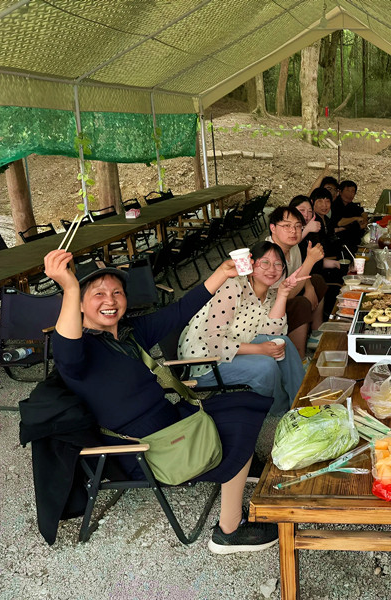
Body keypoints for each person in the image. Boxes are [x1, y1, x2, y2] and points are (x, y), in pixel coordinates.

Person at [44, 249, 279, 555]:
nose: (110, 300)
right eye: (97, 294)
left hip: (168, 421)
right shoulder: (80, 354)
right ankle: (229, 531)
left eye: (117, 292)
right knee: (239, 429)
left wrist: (222, 273)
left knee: (243, 402)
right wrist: (70, 287)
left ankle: (238, 467)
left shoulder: (129, 334)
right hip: (139, 447)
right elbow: (65, 351)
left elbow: (180, 311)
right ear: (80, 305)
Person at [178, 241, 307, 415]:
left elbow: (274, 332)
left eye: (278, 264)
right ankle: (280, 410)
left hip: (236, 346)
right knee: (265, 365)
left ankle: (303, 401)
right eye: (265, 263)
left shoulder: (268, 294)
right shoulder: (232, 287)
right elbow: (214, 342)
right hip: (205, 363)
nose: (272, 269)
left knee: (282, 342)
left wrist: (283, 293)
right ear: (251, 264)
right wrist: (259, 349)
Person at [266, 207, 326, 357]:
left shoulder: (293, 248)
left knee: (316, 280)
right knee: (300, 304)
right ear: (273, 228)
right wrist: (310, 261)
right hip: (270, 308)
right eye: (286, 226)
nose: (293, 231)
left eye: (298, 226)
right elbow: (286, 294)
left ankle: (315, 333)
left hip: (285, 294)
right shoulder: (269, 255)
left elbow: (298, 273)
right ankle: (299, 356)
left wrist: (309, 287)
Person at [331, 180, 368, 252]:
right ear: (340, 192)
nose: (350, 194)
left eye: (353, 191)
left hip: (355, 240)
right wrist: (355, 219)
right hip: (340, 242)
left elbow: (363, 213)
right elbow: (340, 223)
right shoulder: (335, 205)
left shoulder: (352, 205)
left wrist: (364, 219)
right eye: (347, 190)